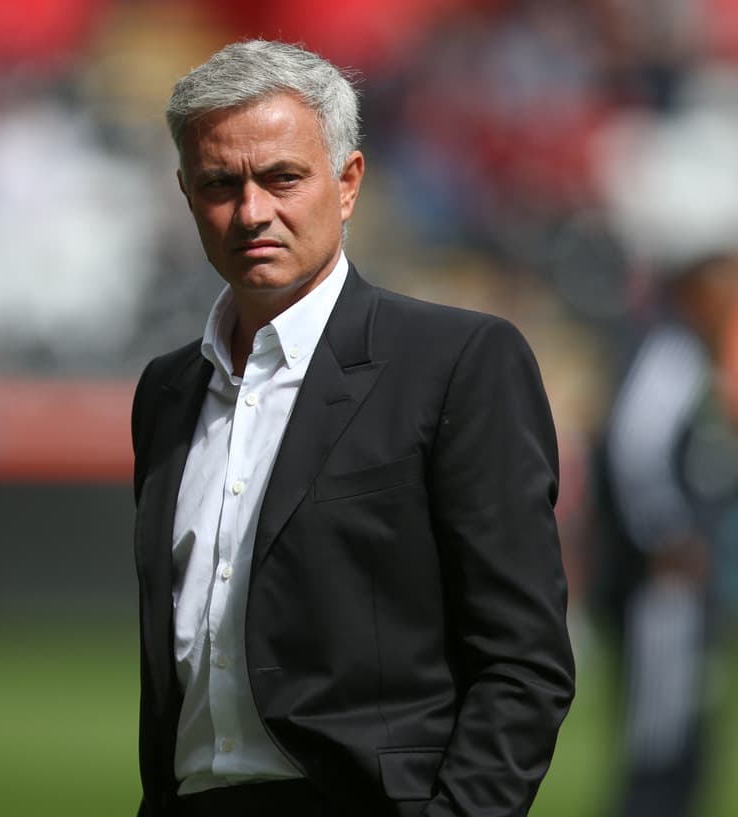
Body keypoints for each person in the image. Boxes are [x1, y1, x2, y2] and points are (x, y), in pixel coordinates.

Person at [130, 40, 574, 817]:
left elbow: (522, 663)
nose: (252, 210)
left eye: (282, 178)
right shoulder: (168, 391)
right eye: (219, 183)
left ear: (347, 183)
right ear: (185, 192)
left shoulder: (458, 362)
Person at [589, 250, 738, 817]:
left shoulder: (692, 355)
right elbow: (636, 447)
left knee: (683, 730)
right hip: (658, 581)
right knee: (662, 740)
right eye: (729, 289)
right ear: (696, 293)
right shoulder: (672, 352)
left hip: (671, 578)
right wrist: (665, 536)